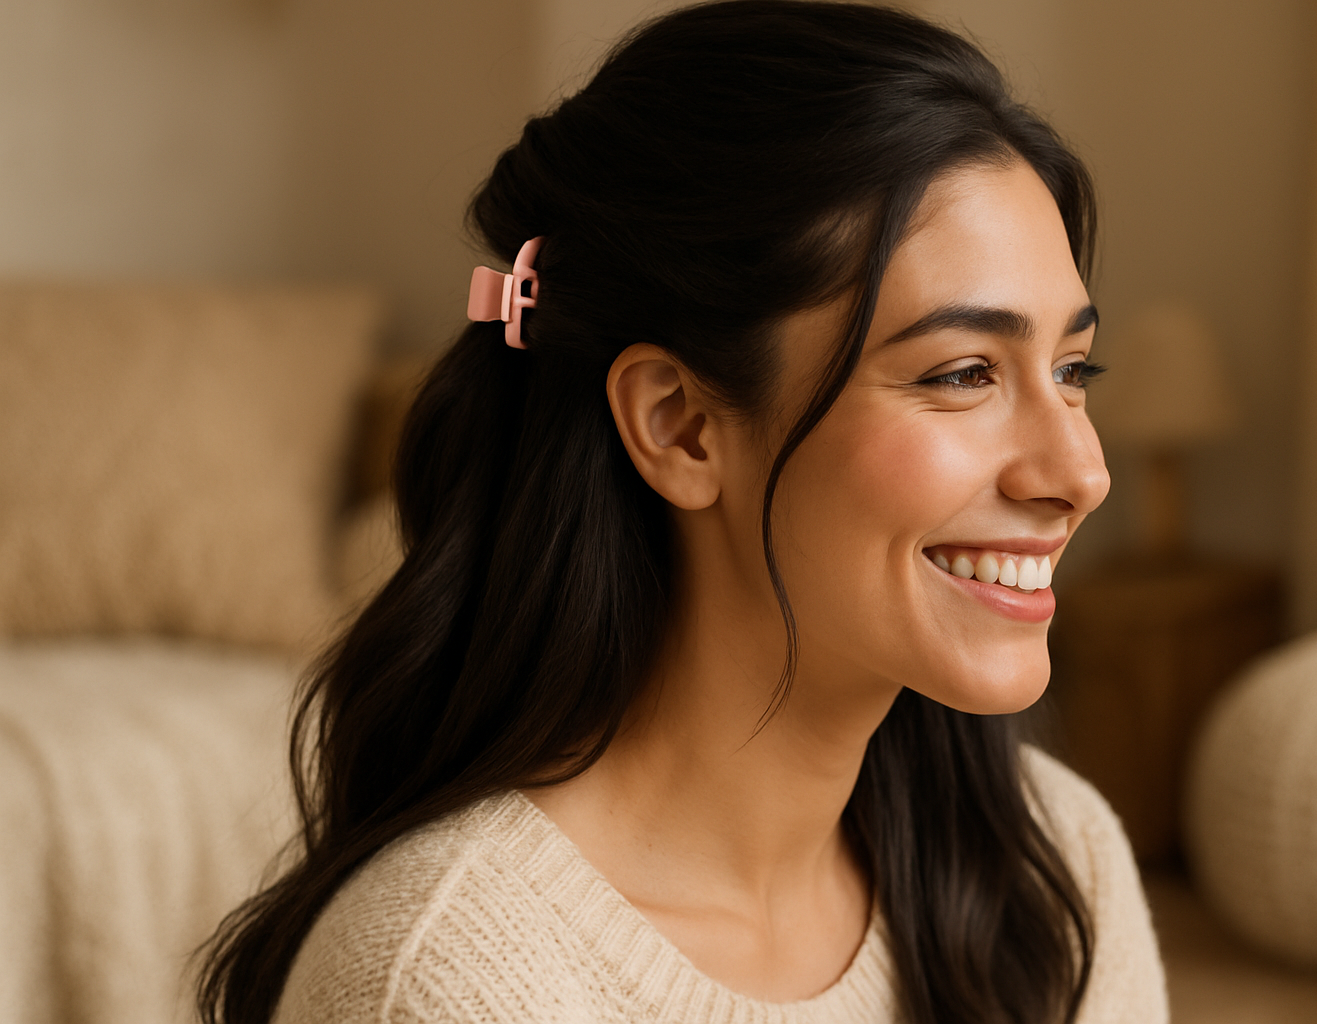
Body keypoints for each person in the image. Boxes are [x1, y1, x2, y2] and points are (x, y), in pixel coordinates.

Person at [199, 2, 1167, 1021]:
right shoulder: (452, 983)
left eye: (1070, 368)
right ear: (683, 426)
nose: (1080, 470)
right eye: (965, 372)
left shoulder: (1054, 864)